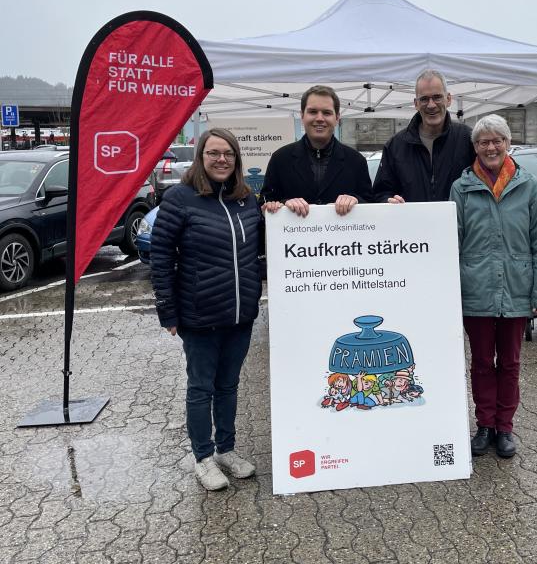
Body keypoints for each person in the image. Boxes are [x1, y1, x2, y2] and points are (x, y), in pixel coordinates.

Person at [150, 128, 263, 491]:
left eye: (228, 153)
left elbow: (261, 247)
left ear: (237, 159)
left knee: (229, 386)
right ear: (201, 157)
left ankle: (225, 449)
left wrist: (274, 211)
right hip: (199, 314)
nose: (221, 160)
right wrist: (168, 311)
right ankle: (202, 457)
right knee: (201, 388)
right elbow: (161, 257)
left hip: (239, 313)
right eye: (213, 153)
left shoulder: (246, 199)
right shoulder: (181, 198)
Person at [449, 114, 537, 458]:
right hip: (475, 289)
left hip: (517, 288)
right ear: (475, 147)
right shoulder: (462, 188)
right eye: (483, 142)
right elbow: (453, 243)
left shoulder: (528, 186)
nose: (490, 147)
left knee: (509, 362)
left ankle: (505, 427)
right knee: (480, 361)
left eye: (497, 140)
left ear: (508, 144)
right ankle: (485, 425)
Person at [260, 85, 372, 217]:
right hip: (296, 237)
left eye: (326, 113)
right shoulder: (280, 159)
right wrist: (285, 204)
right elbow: (265, 203)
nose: (319, 118)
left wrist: (356, 201)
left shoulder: (356, 161)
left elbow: (371, 204)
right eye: (313, 112)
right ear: (302, 116)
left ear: (337, 118)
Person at [373, 69, 475, 203]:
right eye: (424, 99)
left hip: (457, 223)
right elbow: (380, 193)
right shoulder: (395, 145)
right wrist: (388, 201)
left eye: (437, 97)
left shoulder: (467, 139)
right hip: (412, 222)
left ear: (448, 99)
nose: (431, 105)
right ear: (416, 104)